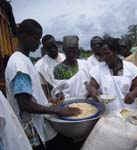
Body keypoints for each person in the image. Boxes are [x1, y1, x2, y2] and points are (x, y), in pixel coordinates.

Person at [5, 19, 81, 150]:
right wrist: (57, 110)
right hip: (32, 129)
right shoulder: (19, 64)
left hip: (39, 123)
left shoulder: (24, 60)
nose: (38, 42)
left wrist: (49, 101)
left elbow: (32, 93)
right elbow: (24, 103)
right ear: (23, 36)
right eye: (36, 38)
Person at [87, 37, 137, 113]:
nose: (104, 57)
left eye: (107, 53)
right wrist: (93, 91)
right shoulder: (99, 69)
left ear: (115, 51)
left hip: (128, 111)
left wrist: (133, 94)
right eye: (102, 55)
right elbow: (92, 86)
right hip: (108, 113)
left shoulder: (130, 67)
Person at [35, 34, 65, 98]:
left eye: (54, 46)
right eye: (49, 48)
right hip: (56, 100)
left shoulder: (65, 57)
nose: (53, 49)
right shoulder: (40, 66)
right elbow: (43, 88)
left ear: (56, 44)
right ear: (45, 49)